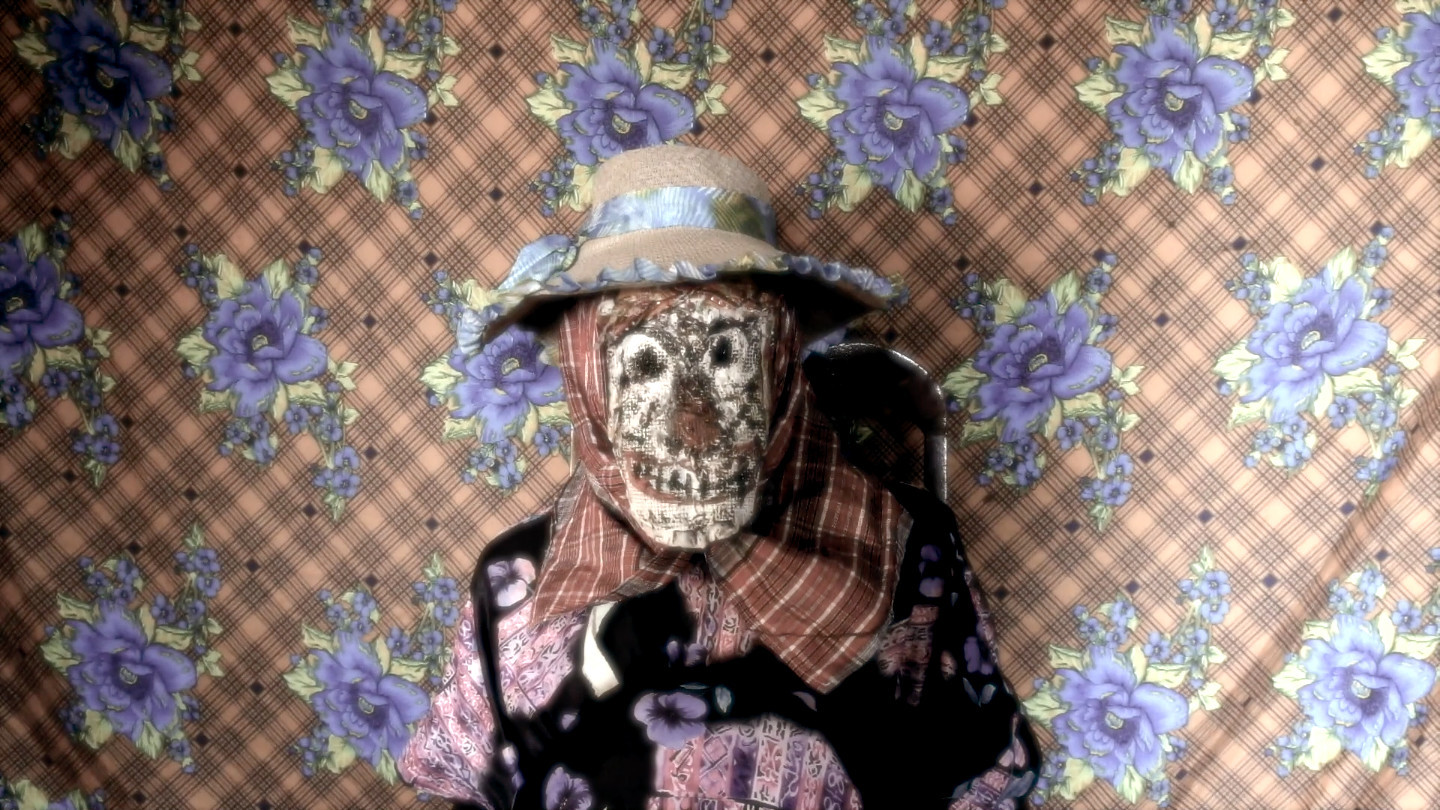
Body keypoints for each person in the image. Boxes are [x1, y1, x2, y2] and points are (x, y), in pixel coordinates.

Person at [399, 144, 1038, 809]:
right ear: (587, 373)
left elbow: (989, 778)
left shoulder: (908, 548)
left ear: (780, 361)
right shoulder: (517, 579)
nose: (693, 422)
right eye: (646, 364)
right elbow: (473, 788)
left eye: (727, 352)